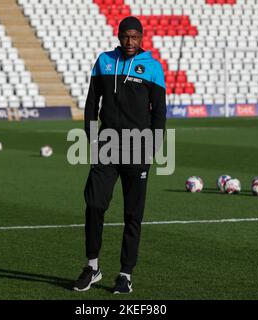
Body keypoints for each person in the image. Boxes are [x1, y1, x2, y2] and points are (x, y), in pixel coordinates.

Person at [73, 16, 166, 294]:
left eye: (134, 37)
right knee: (94, 205)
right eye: (125, 36)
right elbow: (92, 104)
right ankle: (92, 267)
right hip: (106, 146)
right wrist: (92, 139)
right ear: (118, 35)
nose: (129, 42)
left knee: (132, 214)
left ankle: (125, 273)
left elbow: (159, 113)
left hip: (138, 148)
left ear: (141, 38)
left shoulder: (153, 67)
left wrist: (153, 146)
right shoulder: (103, 61)